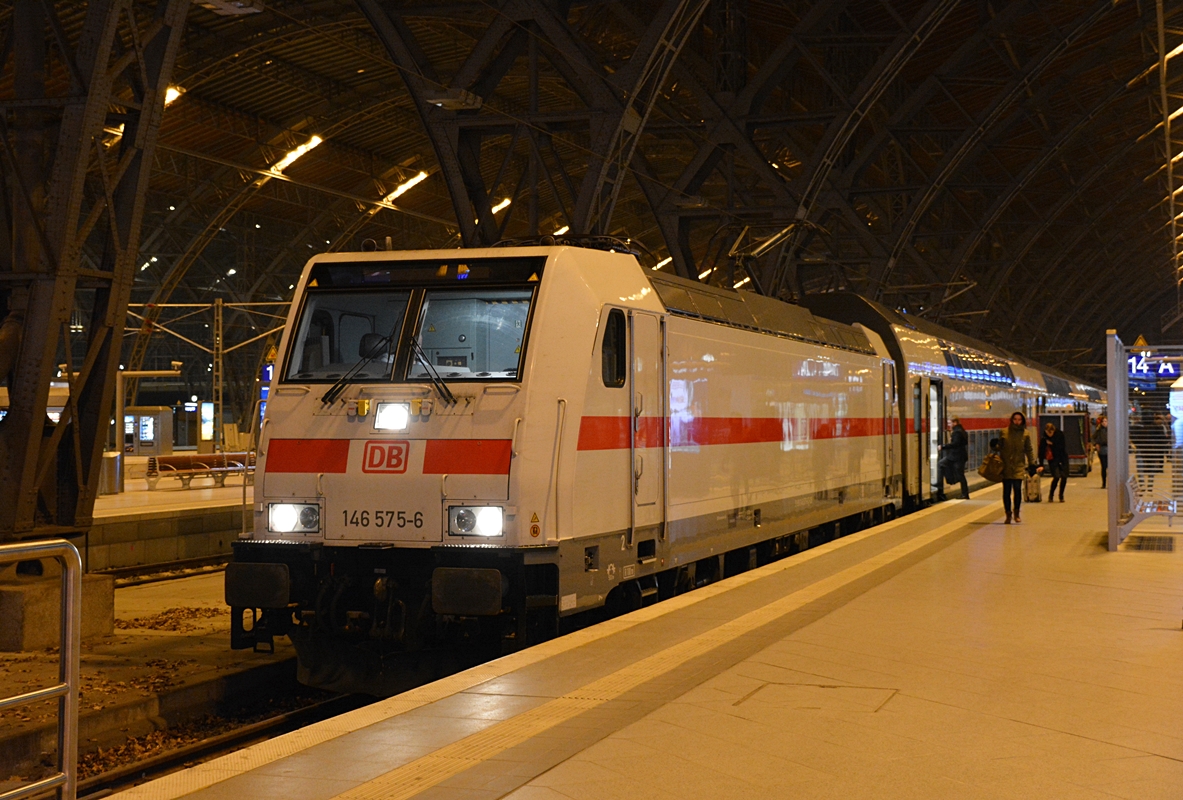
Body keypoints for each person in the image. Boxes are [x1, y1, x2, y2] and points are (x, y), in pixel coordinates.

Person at [999, 411, 1040, 524]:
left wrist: (1032, 463)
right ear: (1012, 420)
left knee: (1017, 489)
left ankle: (1016, 513)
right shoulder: (1004, 432)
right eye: (1015, 419)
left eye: (1019, 419)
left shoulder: (1025, 434)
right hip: (1006, 466)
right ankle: (1008, 514)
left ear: (1022, 421)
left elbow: (1029, 449)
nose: (1017, 422)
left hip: (1018, 465)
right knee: (1006, 491)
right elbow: (1000, 447)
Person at [938, 417, 970, 500]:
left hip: (956, 456)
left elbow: (955, 444)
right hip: (959, 456)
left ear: (955, 422)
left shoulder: (957, 432)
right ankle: (964, 493)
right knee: (960, 474)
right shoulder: (961, 430)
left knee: (941, 464)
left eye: (950, 423)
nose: (949, 425)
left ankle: (944, 483)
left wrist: (943, 446)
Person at [1040, 421, 1069, 502]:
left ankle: (1061, 495)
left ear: (1053, 430)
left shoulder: (1060, 435)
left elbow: (1062, 447)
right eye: (1047, 433)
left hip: (1062, 458)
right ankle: (1051, 494)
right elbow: (1041, 451)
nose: (1049, 434)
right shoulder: (1044, 438)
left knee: (1064, 477)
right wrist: (1041, 464)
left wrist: (1052, 444)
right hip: (1053, 459)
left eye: (1050, 432)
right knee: (1056, 477)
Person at [1091, 415, 1108, 489]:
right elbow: (1092, 438)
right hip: (1102, 450)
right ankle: (1104, 483)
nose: (1104, 423)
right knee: (1104, 467)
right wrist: (1096, 444)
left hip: (1110, 450)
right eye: (1103, 421)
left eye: (1106, 421)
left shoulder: (1111, 430)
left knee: (1110, 467)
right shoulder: (1098, 430)